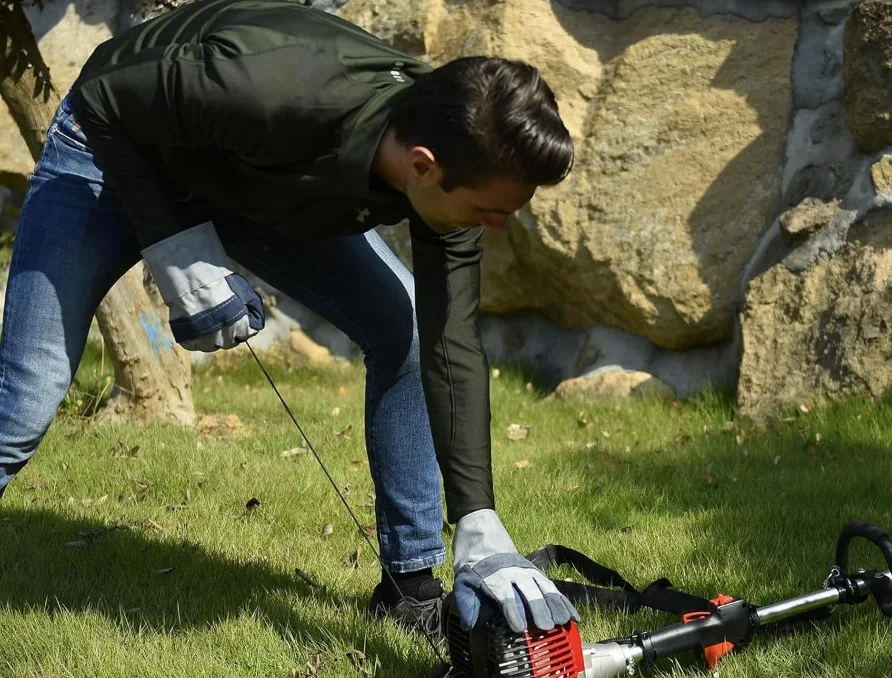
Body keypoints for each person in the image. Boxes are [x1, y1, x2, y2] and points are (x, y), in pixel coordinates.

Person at [0, 0, 579, 640]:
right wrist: (177, 248)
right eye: (490, 211)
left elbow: (452, 346)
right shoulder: (279, 88)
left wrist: (479, 519)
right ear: (423, 165)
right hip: (111, 148)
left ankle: (410, 590)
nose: (496, 227)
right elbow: (110, 94)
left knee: (407, 327)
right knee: (30, 391)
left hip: (243, 175)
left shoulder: (461, 153)